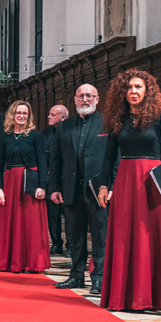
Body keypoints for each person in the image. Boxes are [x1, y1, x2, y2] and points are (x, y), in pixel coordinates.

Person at [96, 70, 161, 311]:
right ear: (122, 92)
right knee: (125, 235)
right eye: (129, 87)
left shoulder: (160, 117)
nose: (133, 91)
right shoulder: (116, 118)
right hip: (125, 180)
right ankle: (124, 295)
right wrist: (104, 185)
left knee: (151, 235)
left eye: (138, 87)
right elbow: (109, 155)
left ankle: (154, 296)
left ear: (147, 91)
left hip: (154, 180)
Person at [48, 84, 109, 293]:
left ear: (97, 99)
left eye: (89, 96)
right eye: (81, 96)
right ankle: (76, 276)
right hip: (71, 190)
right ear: (74, 100)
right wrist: (55, 187)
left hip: (98, 191)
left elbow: (113, 158)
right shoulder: (64, 126)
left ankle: (99, 278)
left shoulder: (107, 123)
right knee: (75, 237)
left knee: (101, 237)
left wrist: (110, 185)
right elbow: (55, 160)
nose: (85, 99)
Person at [0, 100, 50, 273]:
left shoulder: (35, 136)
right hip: (10, 182)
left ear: (29, 116)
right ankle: (10, 262)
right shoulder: (5, 136)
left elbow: (42, 161)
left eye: (25, 113)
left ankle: (32, 263)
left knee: (30, 224)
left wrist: (42, 186)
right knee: (10, 223)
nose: (21, 116)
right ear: (12, 114)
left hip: (29, 181)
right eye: (18, 113)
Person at [42, 105, 69, 255]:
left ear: (62, 117)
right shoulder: (45, 133)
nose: (49, 117)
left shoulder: (70, 132)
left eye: (53, 115)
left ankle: (70, 246)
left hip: (67, 180)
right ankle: (56, 243)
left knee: (69, 216)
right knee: (53, 215)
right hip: (50, 178)